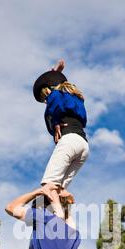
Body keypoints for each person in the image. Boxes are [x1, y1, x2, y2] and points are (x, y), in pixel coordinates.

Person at [33, 59, 89, 201]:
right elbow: (56, 85)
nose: (45, 101)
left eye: (43, 97)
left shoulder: (55, 95)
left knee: (48, 185)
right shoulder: (75, 98)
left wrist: (56, 121)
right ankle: (60, 213)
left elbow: (55, 99)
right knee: (58, 190)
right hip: (83, 145)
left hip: (69, 141)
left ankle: (43, 214)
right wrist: (55, 73)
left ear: (47, 90)